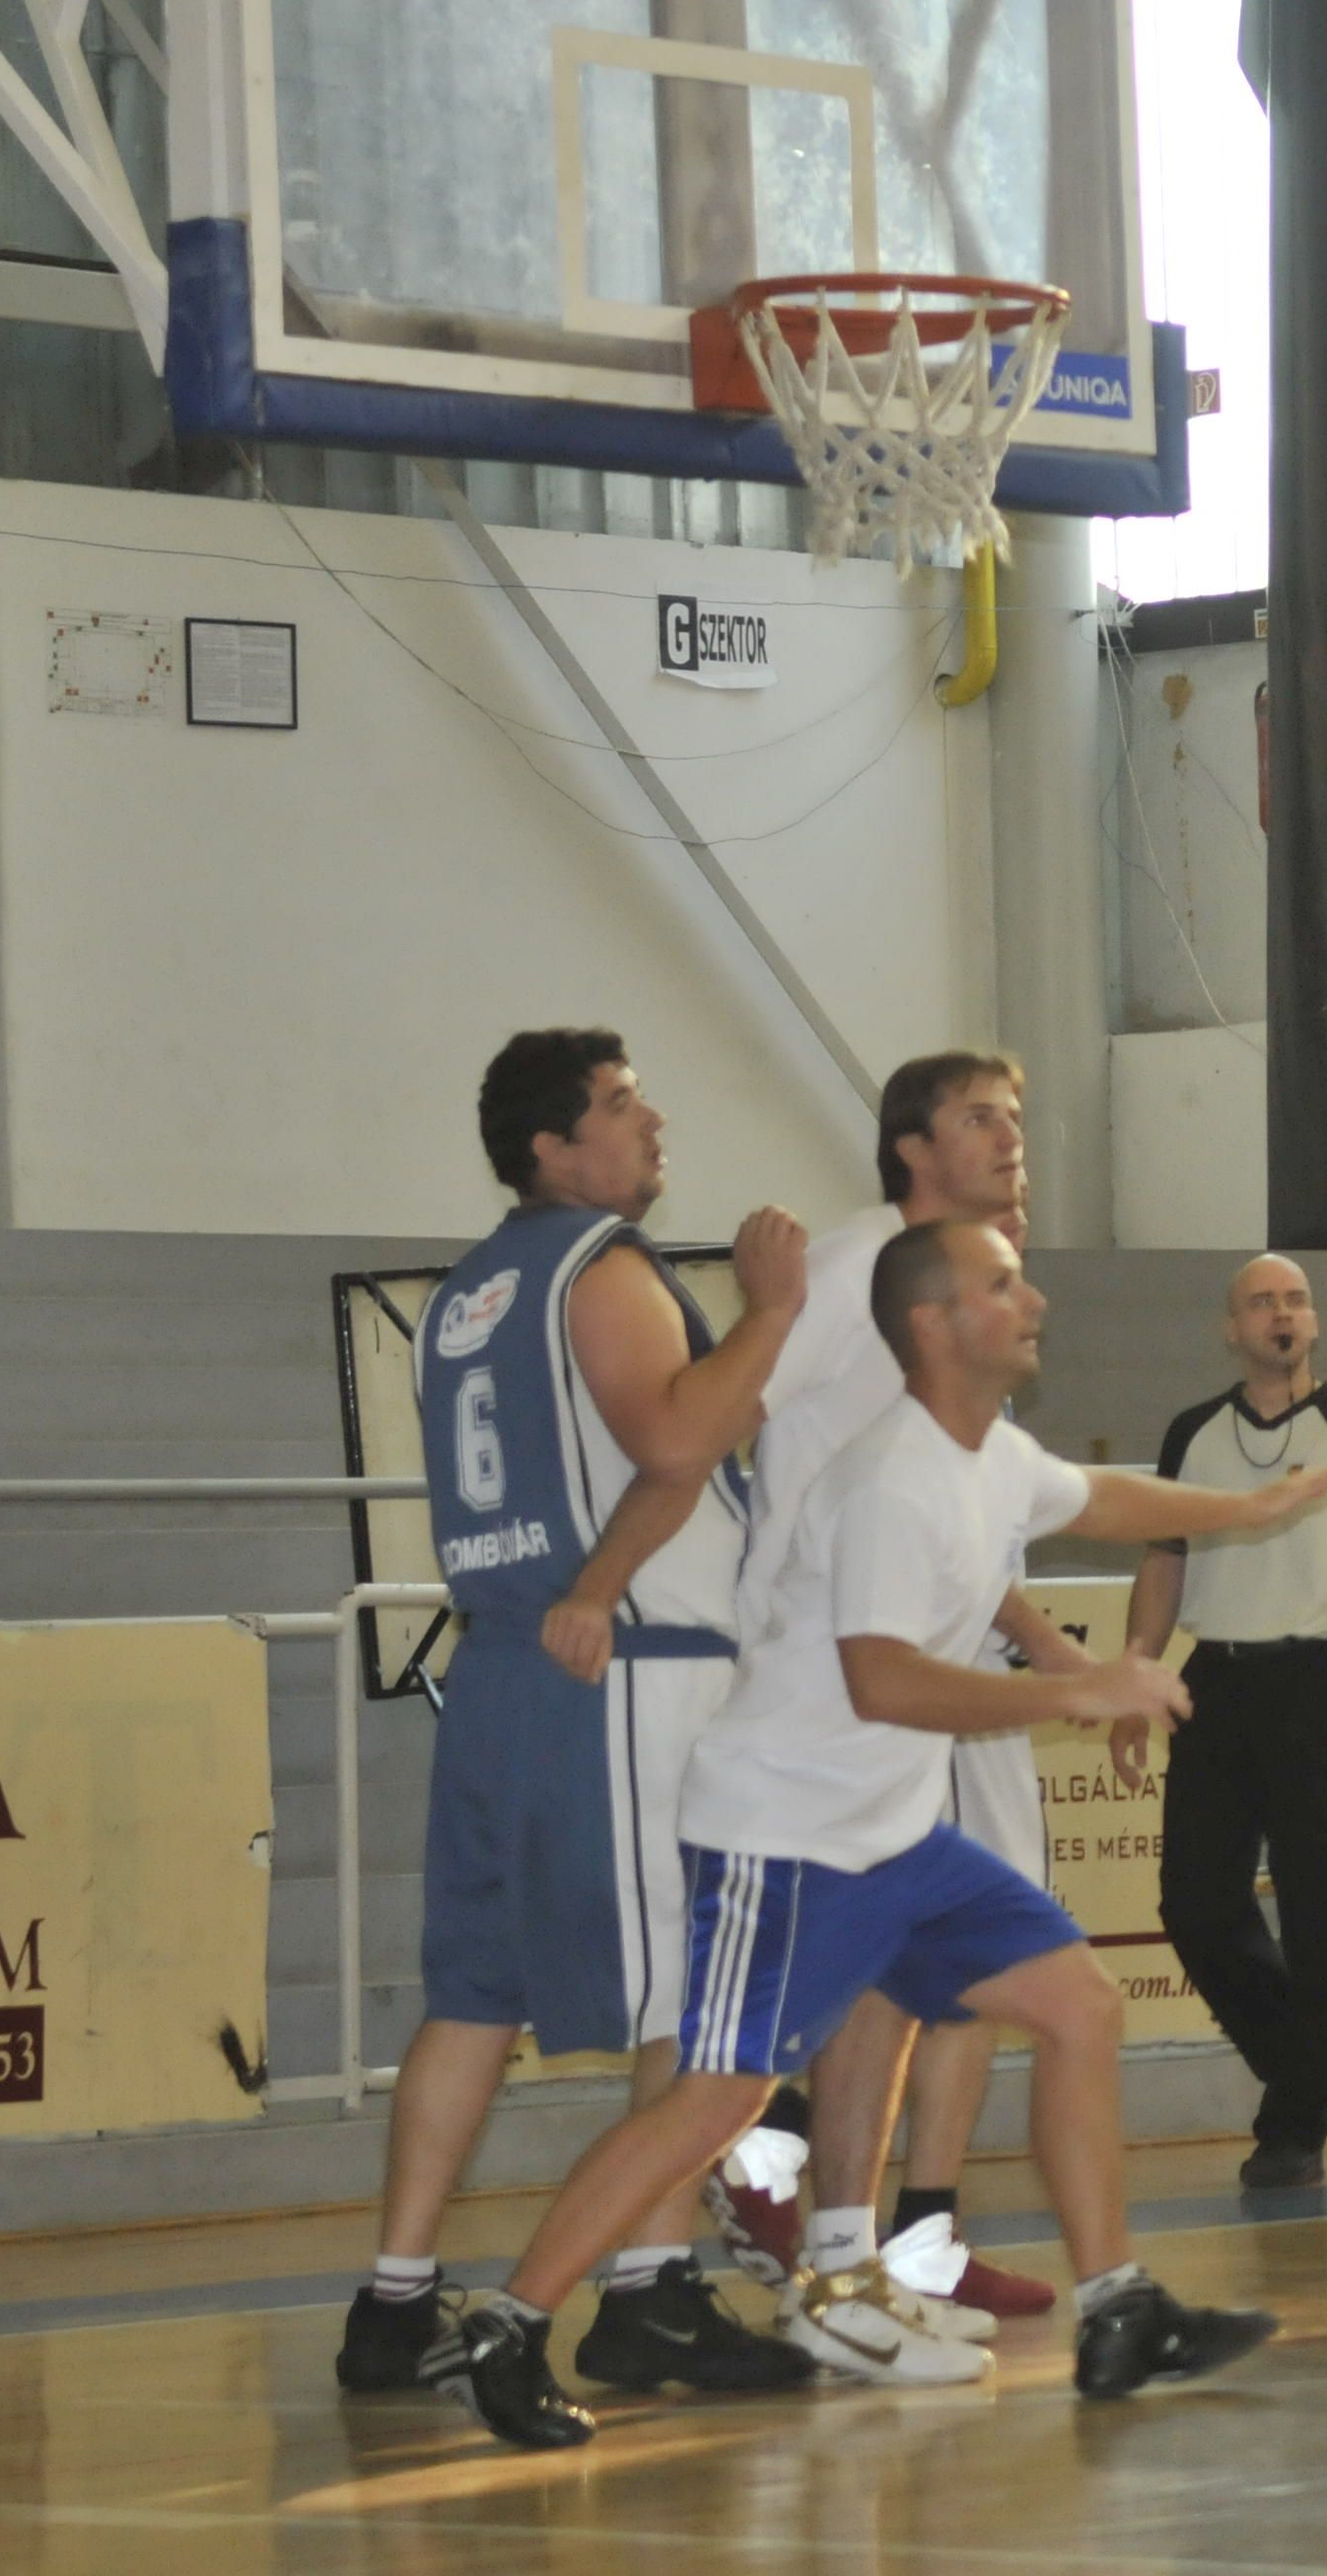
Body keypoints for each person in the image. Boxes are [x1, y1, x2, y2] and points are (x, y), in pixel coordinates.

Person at [423, 1217, 1327, 2448]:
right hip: (783, 1836)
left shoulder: (991, 1455)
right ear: (932, 1324)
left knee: (1079, 2006)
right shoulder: (886, 1482)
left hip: (893, 1840)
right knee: (716, 2099)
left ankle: (1118, 2307)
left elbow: (1106, 1496)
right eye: (1002, 1284)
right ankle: (508, 2324)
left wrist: (1253, 1504)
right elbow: (884, 1683)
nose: (1033, 1301)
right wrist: (1079, 1689)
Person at [335, 1029, 822, 2408]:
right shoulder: (600, 1264)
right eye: (619, 1104)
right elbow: (675, 1439)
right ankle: (648, 2293)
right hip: (619, 1669)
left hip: (499, 1666)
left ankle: (393, 2301)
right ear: (552, 1148)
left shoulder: (462, 1295)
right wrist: (772, 1311)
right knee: (687, 2003)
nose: (649, 1122)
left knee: (472, 1999)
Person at [698, 1050, 1093, 2347]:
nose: (1011, 1138)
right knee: (877, 1946)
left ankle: (914, 2236)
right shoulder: (852, 1265)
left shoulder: (977, 1295)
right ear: (912, 1147)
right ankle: (777, 2165)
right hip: (843, 1672)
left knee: (972, 1959)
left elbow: (973, 1522)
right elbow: (720, 1417)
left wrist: (1056, 1655)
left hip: (955, 1665)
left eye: (1016, 1118)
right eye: (980, 1118)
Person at [1113, 1255, 1327, 2192]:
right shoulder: (1192, 1434)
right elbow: (1164, 1562)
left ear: (1315, 1322)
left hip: (1316, 1684)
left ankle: (1293, 2125)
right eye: (1261, 1302)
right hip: (1216, 1683)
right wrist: (1136, 1675)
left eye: (1295, 1300)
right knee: (1194, 1901)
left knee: (1322, 1907)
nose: (1280, 1314)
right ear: (1233, 1328)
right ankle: (1313, 2063)